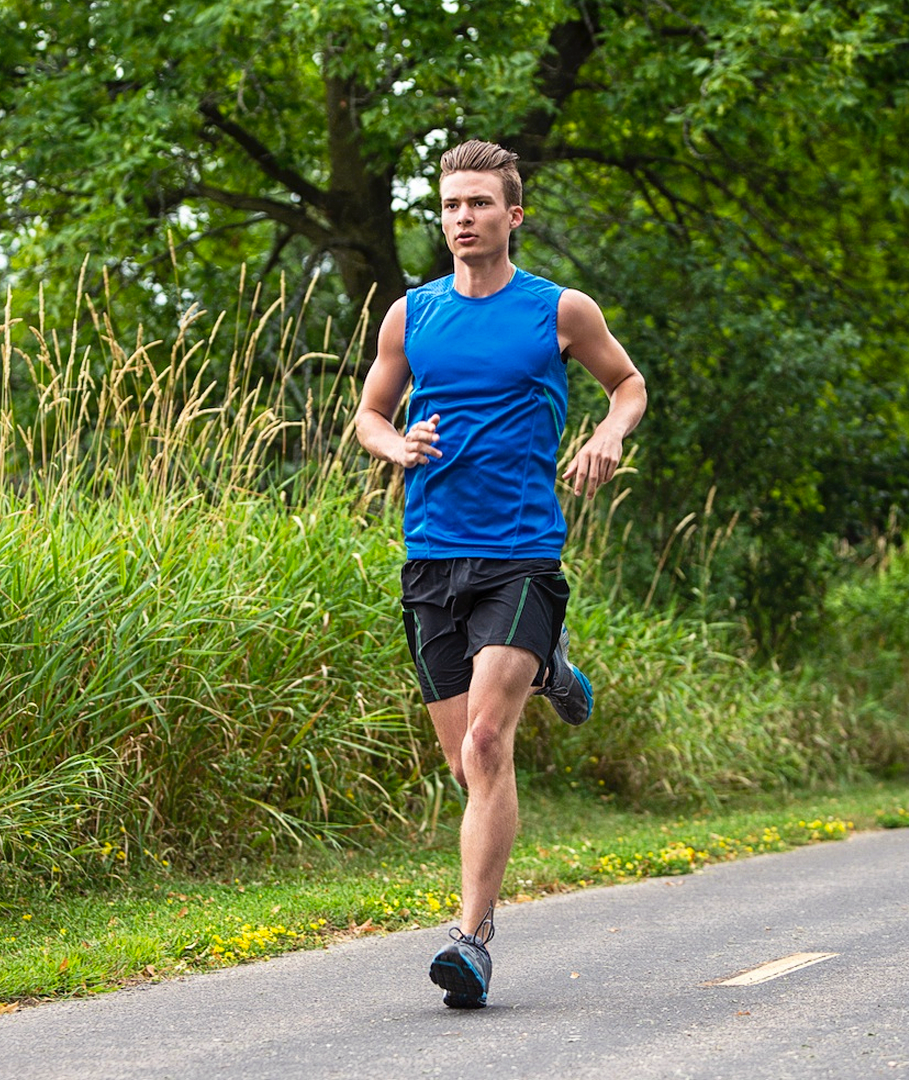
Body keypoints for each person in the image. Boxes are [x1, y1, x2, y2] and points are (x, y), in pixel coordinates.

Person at [355, 139, 647, 1009]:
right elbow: (369, 412)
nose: (462, 219)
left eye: (479, 204)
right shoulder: (413, 315)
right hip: (430, 557)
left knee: (489, 743)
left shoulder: (559, 310)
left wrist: (607, 432)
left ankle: (472, 939)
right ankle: (550, 666)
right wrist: (395, 443)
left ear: (512, 215)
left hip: (521, 553)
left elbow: (626, 384)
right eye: (450, 206)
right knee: (467, 766)